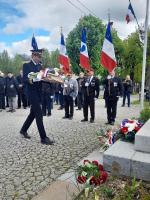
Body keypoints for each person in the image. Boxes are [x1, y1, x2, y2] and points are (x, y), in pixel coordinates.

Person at [20, 49, 54, 145]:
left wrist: (50, 79)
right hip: (31, 92)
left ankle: (23, 130)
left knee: (33, 113)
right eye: (38, 56)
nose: (40, 58)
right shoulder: (26, 65)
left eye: (40, 57)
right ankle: (43, 138)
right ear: (33, 56)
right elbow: (25, 79)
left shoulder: (40, 66)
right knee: (39, 113)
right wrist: (35, 78)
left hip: (39, 92)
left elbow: (42, 78)